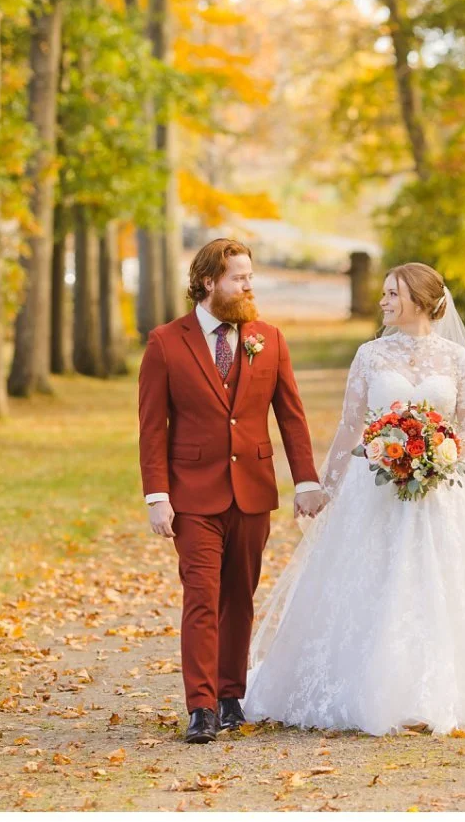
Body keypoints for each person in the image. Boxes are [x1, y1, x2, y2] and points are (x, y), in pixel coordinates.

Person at [243, 262, 465, 735]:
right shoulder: (370, 355)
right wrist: (323, 487)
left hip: (441, 493)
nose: (382, 301)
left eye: (392, 293)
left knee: (440, 585)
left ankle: (439, 690)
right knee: (371, 581)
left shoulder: (456, 359)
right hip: (374, 491)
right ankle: (365, 686)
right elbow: (350, 426)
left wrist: (441, 451)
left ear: (418, 298)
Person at [137, 238, 327, 744]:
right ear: (208, 283)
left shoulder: (269, 338)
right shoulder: (165, 343)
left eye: (249, 276)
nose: (248, 285)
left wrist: (306, 481)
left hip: (252, 492)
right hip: (192, 495)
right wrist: (157, 495)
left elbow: (291, 416)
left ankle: (228, 695)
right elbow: (152, 427)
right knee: (202, 596)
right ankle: (199, 706)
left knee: (239, 597)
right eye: (239, 278)